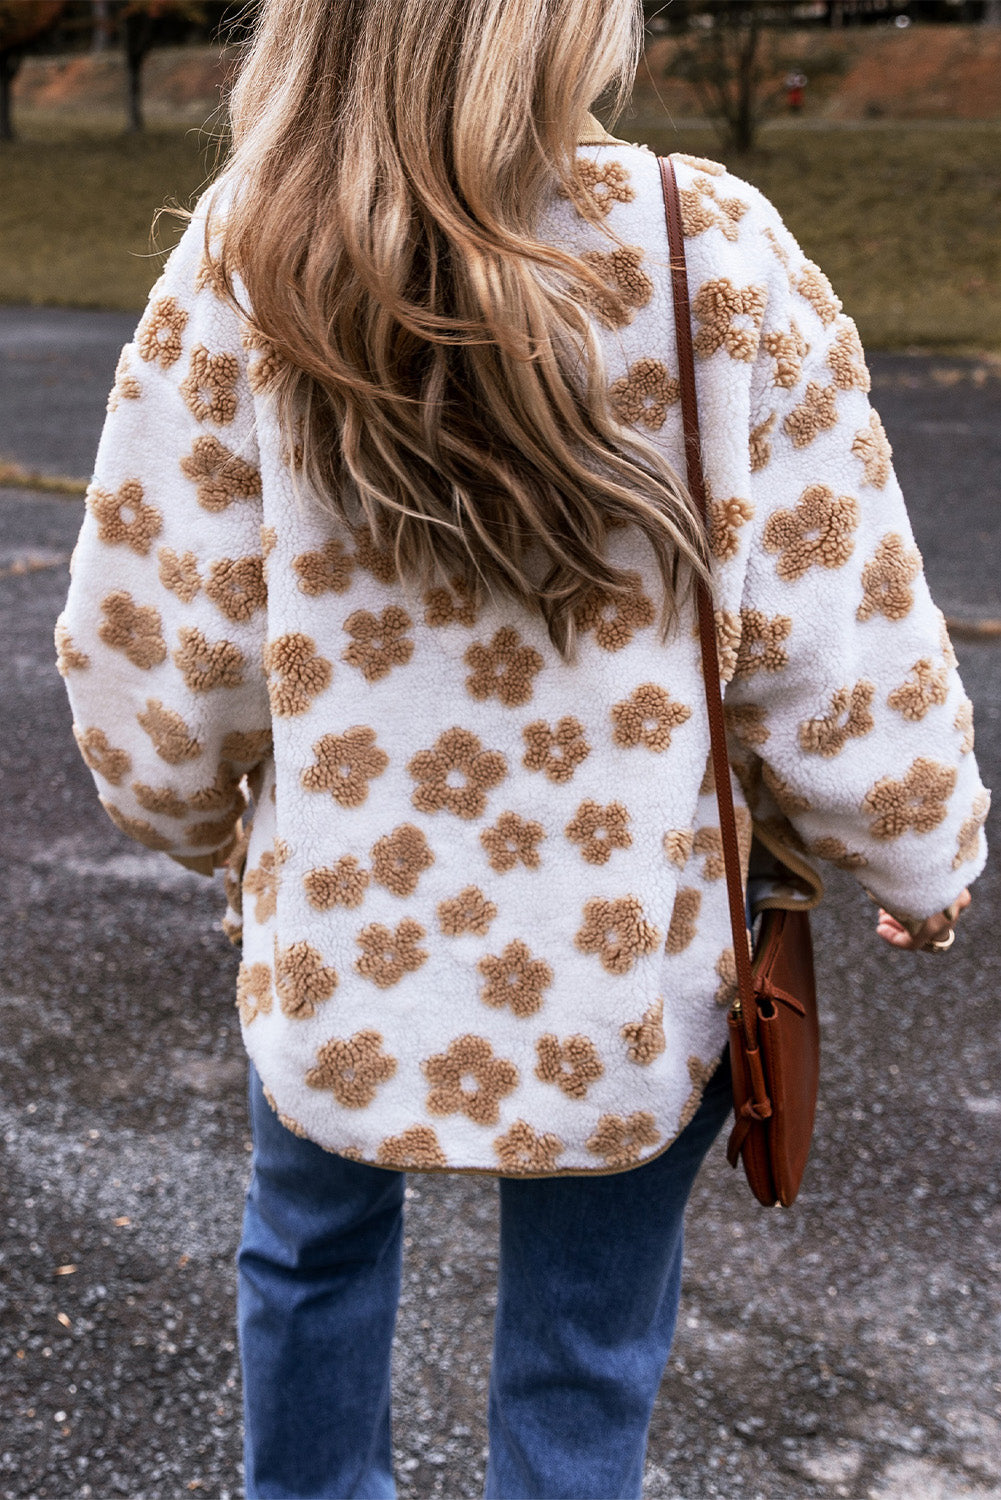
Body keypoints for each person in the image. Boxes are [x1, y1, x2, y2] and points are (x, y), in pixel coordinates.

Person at [56, 0, 988, 1495]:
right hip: (631, 951)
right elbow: (830, 617)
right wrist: (918, 849)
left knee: (306, 1253)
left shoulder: (254, 251)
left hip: (346, 927)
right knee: (584, 1347)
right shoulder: (709, 247)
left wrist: (181, 809)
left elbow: (162, 621)